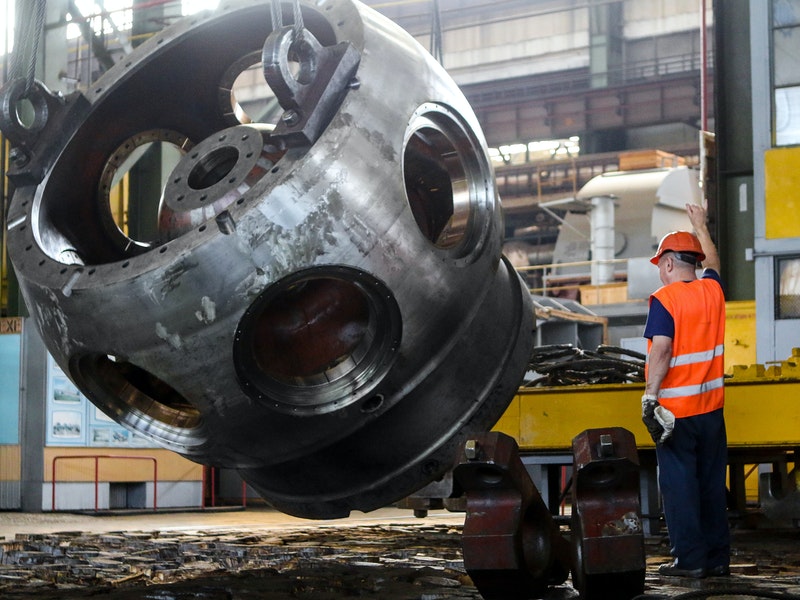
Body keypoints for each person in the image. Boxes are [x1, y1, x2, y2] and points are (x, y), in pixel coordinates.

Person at [642, 203, 730, 579]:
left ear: (667, 264)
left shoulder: (666, 300)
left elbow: (661, 350)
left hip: (676, 414)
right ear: (695, 262)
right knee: (711, 486)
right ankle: (717, 559)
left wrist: (650, 396)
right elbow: (715, 264)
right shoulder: (713, 292)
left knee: (679, 488)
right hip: (712, 411)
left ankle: (690, 561)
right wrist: (701, 226)